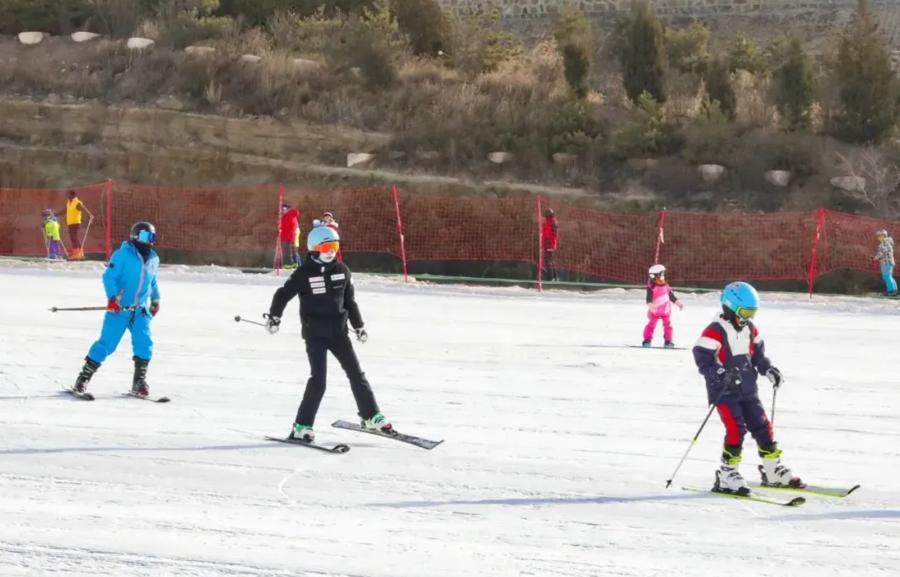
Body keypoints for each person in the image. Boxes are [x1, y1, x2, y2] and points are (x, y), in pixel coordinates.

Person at [265, 225, 391, 442]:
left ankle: (370, 416)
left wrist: (359, 326)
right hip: (315, 335)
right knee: (319, 381)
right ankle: (302, 426)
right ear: (314, 248)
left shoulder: (342, 270)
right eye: (326, 247)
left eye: (334, 246)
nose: (331, 251)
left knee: (356, 374)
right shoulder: (304, 273)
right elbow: (282, 294)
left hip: (339, 334)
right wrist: (274, 317)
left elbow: (350, 302)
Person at [692, 281, 802, 495]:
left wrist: (768, 370)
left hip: (748, 388)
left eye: (752, 313)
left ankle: (772, 469)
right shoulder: (715, 330)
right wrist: (721, 373)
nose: (747, 318)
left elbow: (758, 356)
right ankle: (727, 474)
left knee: (762, 425)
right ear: (729, 307)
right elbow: (702, 358)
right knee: (736, 429)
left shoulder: (750, 329)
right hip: (724, 392)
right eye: (744, 313)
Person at [71, 222, 161, 397]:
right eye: (145, 237)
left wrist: (155, 299)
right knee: (107, 344)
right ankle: (83, 379)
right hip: (119, 309)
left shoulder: (154, 258)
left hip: (140, 311)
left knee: (144, 343)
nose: (149, 242)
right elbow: (109, 277)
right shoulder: (122, 255)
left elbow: (153, 281)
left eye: (152, 237)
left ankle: (139, 382)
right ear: (135, 236)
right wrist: (113, 298)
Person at [642, 264, 683, 348]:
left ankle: (668, 341)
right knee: (651, 325)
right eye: (661, 274)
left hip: (665, 311)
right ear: (655, 276)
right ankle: (647, 340)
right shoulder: (651, 287)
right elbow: (648, 299)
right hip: (655, 311)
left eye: (663, 273)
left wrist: (678, 303)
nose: (663, 276)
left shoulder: (666, 285)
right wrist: (651, 305)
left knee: (668, 326)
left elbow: (671, 296)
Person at [63, 190, 91, 260]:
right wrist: (55, 214)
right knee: (75, 238)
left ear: (72, 195)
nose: (67, 196)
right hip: (70, 223)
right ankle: (80, 253)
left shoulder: (77, 202)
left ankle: (76, 254)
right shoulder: (69, 202)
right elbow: (65, 211)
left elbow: (83, 208)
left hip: (75, 222)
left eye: (68, 195)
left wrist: (89, 214)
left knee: (74, 237)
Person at [873, 229, 897, 297]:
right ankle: (894, 290)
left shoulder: (885, 242)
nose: (878, 238)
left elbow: (883, 252)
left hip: (887, 262)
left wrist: (876, 257)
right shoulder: (887, 242)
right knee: (888, 276)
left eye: (879, 236)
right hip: (887, 262)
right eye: (878, 236)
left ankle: (891, 291)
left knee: (886, 276)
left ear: (884, 236)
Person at [279, 203, 300, 268]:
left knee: (290, 251)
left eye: (284, 209)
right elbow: (283, 227)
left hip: (290, 236)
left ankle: (291, 264)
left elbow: (289, 224)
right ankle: (293, 264)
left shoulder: (291, 215)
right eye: (282, 209)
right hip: (285, 237)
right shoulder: (284, 217)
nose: (283, 210)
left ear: (288, 209)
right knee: (288, 251)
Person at [541, 208, 559, 281]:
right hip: (546, 242)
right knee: (548, 259)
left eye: (549, 213)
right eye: (547, 213)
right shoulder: (545, 222)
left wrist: (549, 241)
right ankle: (555, 277)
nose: (547, 215)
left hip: (550, 243)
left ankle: (550, 277)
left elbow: (555, 233)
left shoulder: (553, 222)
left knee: (549, 260)